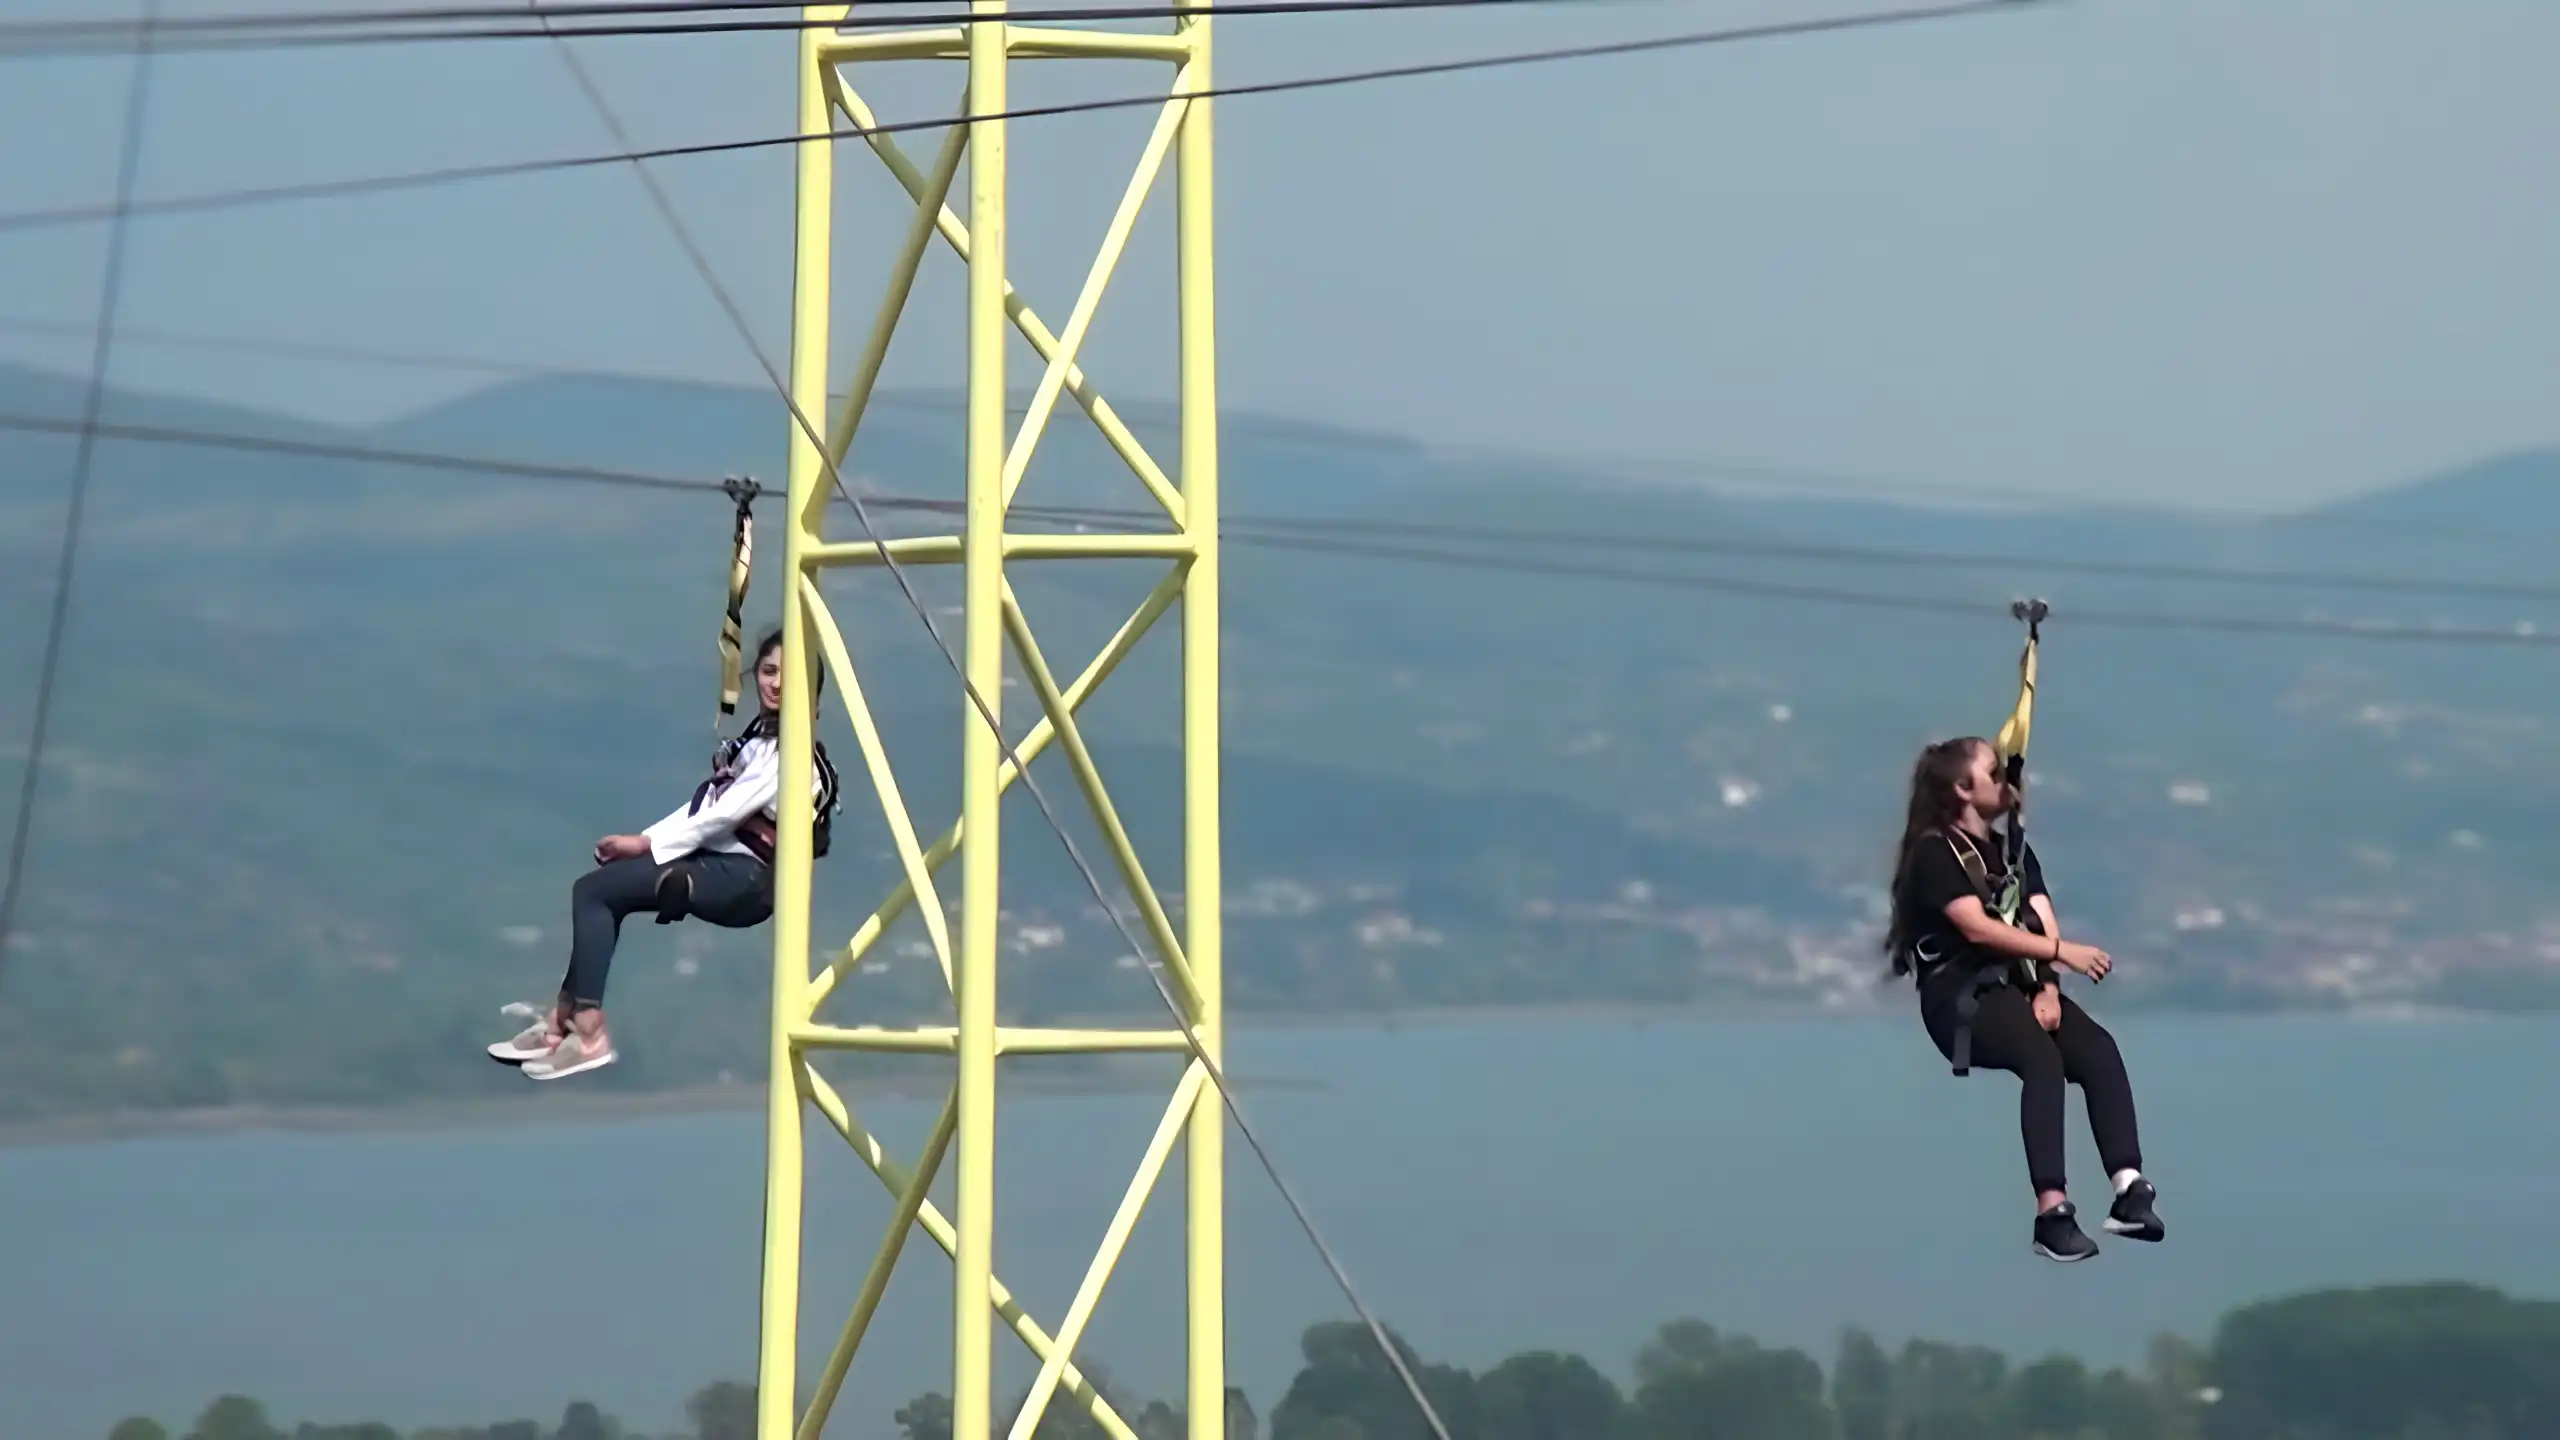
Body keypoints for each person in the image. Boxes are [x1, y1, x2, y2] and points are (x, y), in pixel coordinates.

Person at [488, 629, 837, 1080]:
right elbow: (709, 805)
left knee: (599, 893)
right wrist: (645, 841)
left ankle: (589, 1031)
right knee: (595, 891)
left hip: (746, 881)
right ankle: (564, 1020)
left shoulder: (791, 753)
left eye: (791, 677)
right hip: (718, 864)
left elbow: (722, 815)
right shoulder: (759, 741)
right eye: (769, 672)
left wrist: (650, 846)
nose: (775, 684)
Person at [1883, 736, 2164, 1262]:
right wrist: (2062, 953)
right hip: (1957, 998)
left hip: (2018, 983)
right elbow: (1978, 929)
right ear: (1963, 790)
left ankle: (2129, 1188)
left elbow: (2040, 914)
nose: (2008, 781)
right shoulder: (1934, 854)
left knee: (2096, 1048)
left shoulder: (2014, 852)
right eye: (1995, 773)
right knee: (2042, 1058)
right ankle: (2051, 1214)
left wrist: (2049, 987)